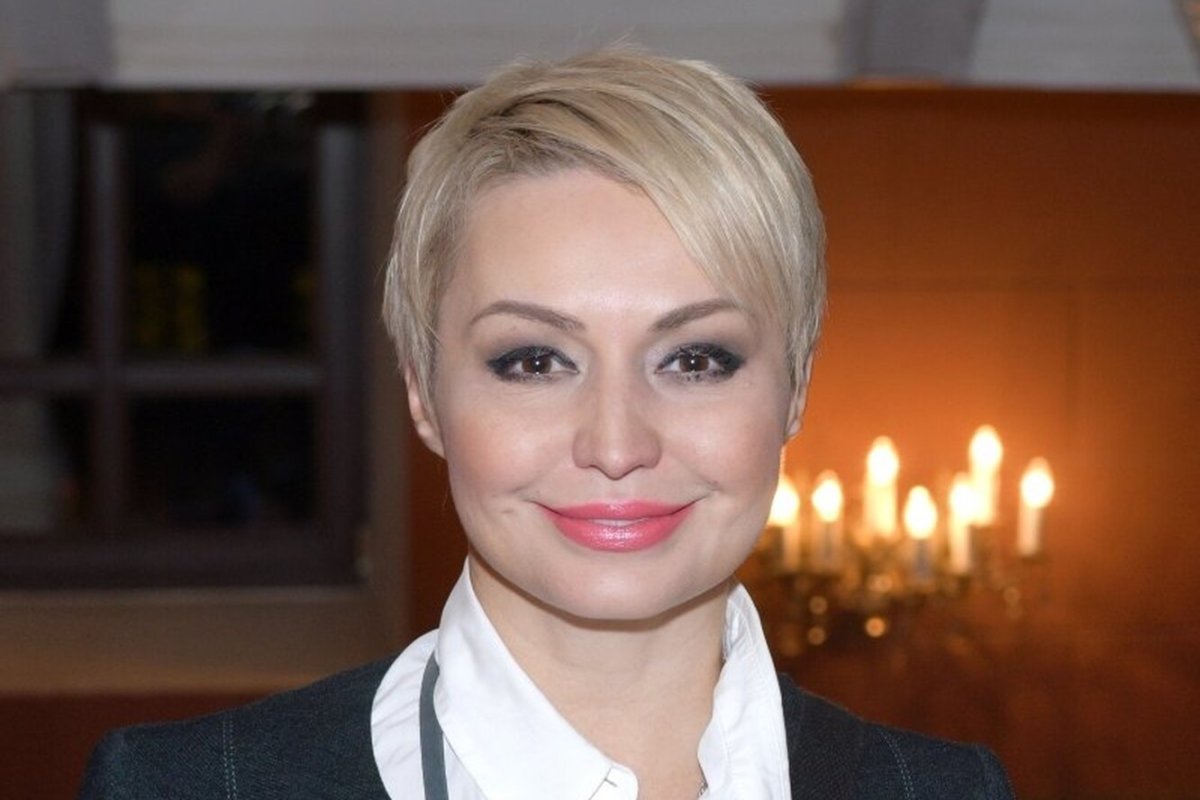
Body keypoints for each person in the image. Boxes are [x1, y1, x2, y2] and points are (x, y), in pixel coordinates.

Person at [79, 45, 1014, 799]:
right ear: (422, 394)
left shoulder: (945, 791)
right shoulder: (180, 788)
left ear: (796, 386)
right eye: (533, 361)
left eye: (694, 359)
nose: (616, 445)